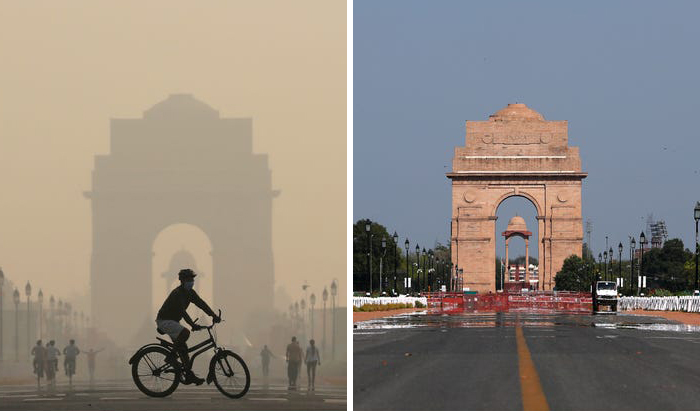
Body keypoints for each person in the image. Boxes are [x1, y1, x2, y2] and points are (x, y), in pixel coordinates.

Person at [156, 268, 220, 385]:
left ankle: (189, 375)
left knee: (184, 350)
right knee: (185, 333)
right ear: (182, 281)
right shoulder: (177, 293)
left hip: (174, 322)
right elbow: (182, 312)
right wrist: (192, 325)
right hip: (164, 320)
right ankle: (171, 357)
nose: (191, 282)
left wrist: (213, 315)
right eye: (189, 279)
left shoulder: (190, 293)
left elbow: (201, 304)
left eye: (192, 279)